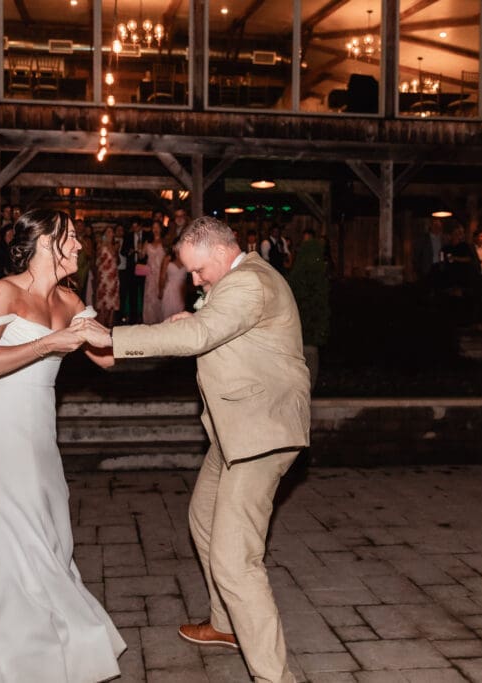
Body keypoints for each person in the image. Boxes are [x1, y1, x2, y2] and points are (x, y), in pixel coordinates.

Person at [90, 216, 310, 683]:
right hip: (233, 428)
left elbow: (199, 337)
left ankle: (276, 678)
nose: (193, 280)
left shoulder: (250, 283)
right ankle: (228, 625)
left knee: (235, 561)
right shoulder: (238, 280)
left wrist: (114, 338)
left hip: (260, 433)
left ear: (219, 252)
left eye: (196, 270)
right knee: (203, 518)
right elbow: (218, 329)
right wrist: (197, 317)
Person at [0, 209, 124, 683]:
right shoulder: (3, 292)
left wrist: (174, 335)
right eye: (73, 238)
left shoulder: (69, 300)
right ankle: (26, 661)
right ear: (45, 243)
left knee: (51, 533)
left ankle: (38, 653)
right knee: (21, 539)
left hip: (39, 428)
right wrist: (50, 344)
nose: (81, 247)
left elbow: (106, 357)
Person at [140, 220, 167, 324]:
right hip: (150, 275)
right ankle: (149, 323)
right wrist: (141, 249)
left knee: (161, 299)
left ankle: (161, 323)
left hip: (162, 274)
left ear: (161, 229)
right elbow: (141, 256)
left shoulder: (165, 242)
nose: (155, 229)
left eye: (157, 227)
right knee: (150, 299)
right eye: (153, 227)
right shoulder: (148, 242)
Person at [94, 225, 120, 327]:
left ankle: (110, 324)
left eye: (111, 232)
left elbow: (117, 261)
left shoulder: (116, 245)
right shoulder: (100, 245)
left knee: (112, 301)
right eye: (108, 232)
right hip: (103, 276)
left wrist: (114, 251)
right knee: (103, 301)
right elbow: (97, 260)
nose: (110, 234)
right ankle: (101, 324)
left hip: (113, 276)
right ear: (105, 234)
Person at [159, 240, 188, 319]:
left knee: (180, 318)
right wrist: (160, 290)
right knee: (167, 317)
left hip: (181, 292)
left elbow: (187, 280)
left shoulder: (187, 259)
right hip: (169, 291)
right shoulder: (167, 259)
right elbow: (162, 276)